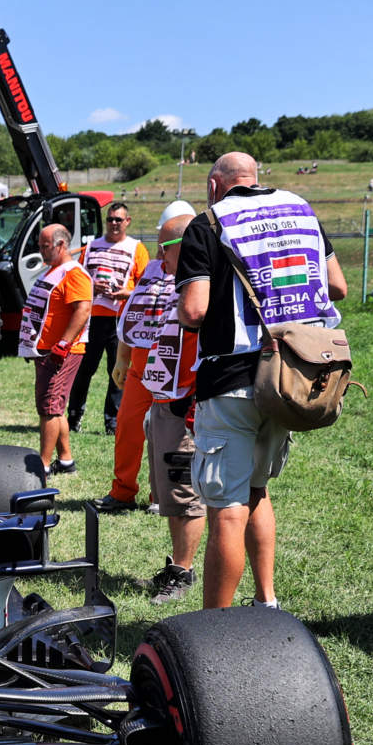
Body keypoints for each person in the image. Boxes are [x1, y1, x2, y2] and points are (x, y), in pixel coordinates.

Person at [176, 153, 347, 609]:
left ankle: (217, 627)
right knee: (257, 489)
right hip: (293, 376)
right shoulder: (301, 210)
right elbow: (337, 287)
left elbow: (193, 311)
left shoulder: (208, 223)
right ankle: (266, 600)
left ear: (215, 185)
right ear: (255, 179)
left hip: (232, 377)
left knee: (226, 507)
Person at [94, 202, 193, 515]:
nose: (161, 252)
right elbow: (132, 312)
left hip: (173, 370)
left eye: (166, 245)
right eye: (159, 244)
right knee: (127, 427)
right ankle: (122, 491)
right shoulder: (150, 269)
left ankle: (159, 494)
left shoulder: (197, 273)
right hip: (139, 366)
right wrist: (122, 358)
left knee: (163, 433)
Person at [138, 212, 207, 602]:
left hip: (184, 405)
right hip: (164, 401)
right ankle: (177, 564)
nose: (159, 257)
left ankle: (183, 571)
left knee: (184, 491)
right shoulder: (177, 285)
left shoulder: (200, 290)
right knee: (168, 492)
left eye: (163, 247)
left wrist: (188, 402)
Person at [18, 223, 91, 476]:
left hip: (64, 351)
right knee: (53, 407)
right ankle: (66, 460)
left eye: (45, 246)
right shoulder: (53, 271)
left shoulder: (74, 273)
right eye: (39, 246)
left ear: (61, 245)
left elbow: (83, 309)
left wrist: (63, 343)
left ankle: (43, 465)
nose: (40, 251)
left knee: (50, 408)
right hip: (45, 350)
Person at [71, 203, 148, 434]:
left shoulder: (137, 248)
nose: (114, 224)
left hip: (120, 318)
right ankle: (74, 418)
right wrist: (93, 286)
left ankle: (112, 423)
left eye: (118, 220)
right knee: (84, 370)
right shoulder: (92, 247)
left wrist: (125, 293)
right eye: (110, 219)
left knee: (117, 372)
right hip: (92, 318)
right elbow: (78, 279)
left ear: (128, 221)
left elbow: (146, 286)